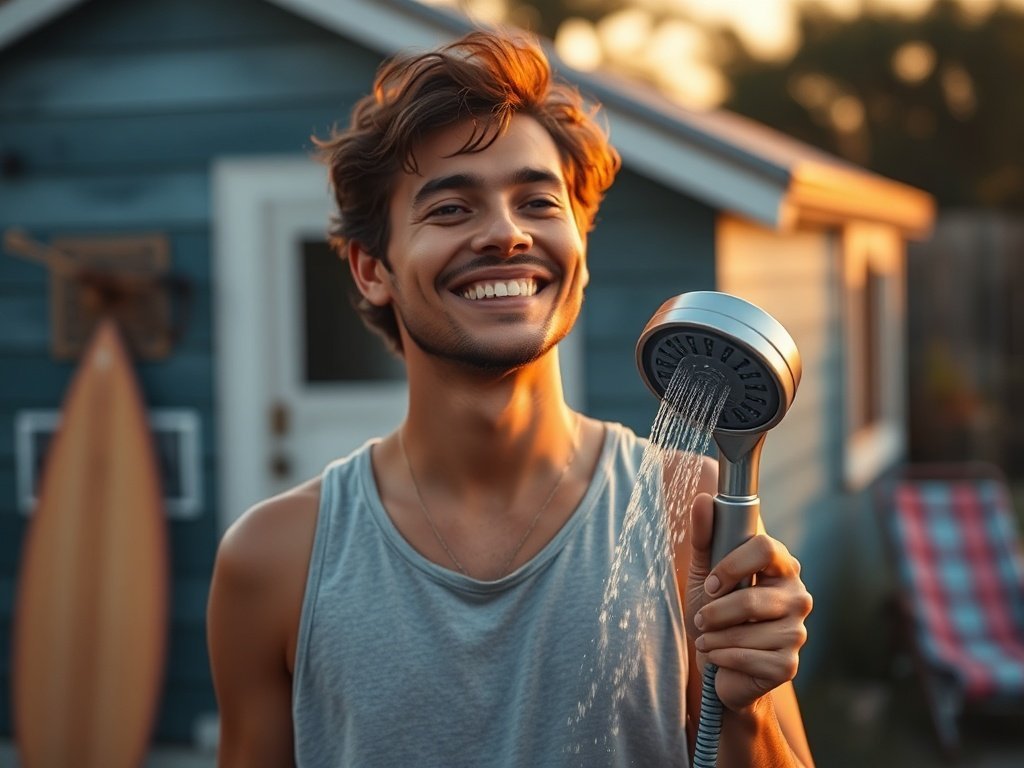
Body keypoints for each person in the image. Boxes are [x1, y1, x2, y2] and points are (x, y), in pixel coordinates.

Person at [207, 29, 815, 768]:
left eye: (537, 201)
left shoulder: (687, 513)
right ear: (373, 269)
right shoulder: (274, 560)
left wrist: (746, 711)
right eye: (452, 209)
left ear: (582, 249)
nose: (506, 234)